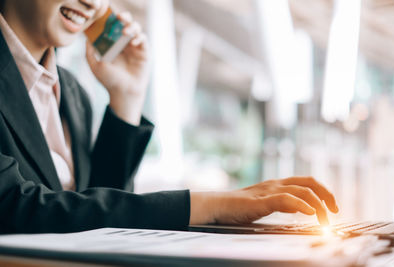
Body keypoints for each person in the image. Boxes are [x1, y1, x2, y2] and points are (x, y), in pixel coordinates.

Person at [0, 0, 338, 234]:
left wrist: (127, 97)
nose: (91, 3)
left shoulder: (72, 94)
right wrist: (208, 206)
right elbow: (15, 206)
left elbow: (96, 218)